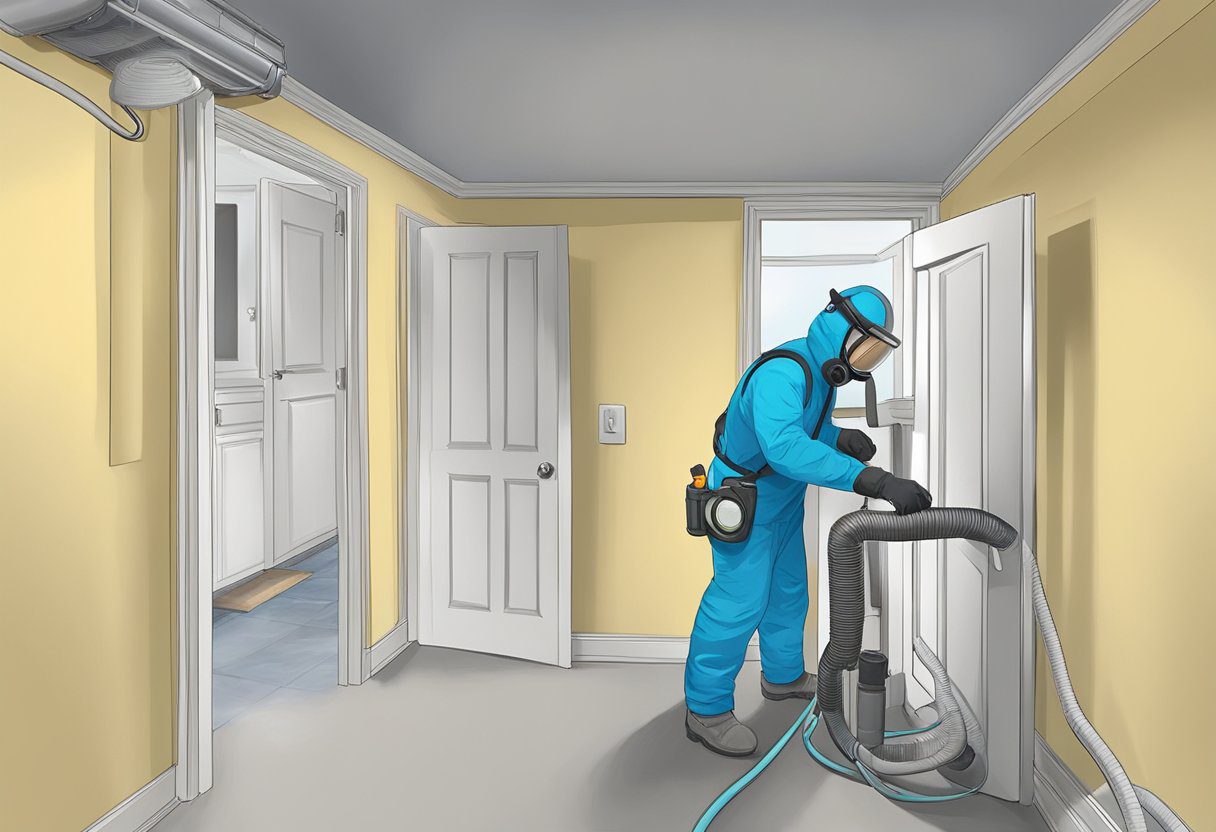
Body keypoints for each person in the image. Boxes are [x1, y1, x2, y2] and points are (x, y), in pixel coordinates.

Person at [684, 285, 933, 757]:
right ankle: (707, 709)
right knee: (738, 603)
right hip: (745, 500)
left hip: (780, 503)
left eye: (878, 352)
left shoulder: (820, 375)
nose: (868, 359)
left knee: (788, 595)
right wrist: (871, 480)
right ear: (842, 331)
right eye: (867, 346)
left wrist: (838, 438)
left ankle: (781, 678)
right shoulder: (784, 371)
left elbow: (804, 429)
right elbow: (783, 447)